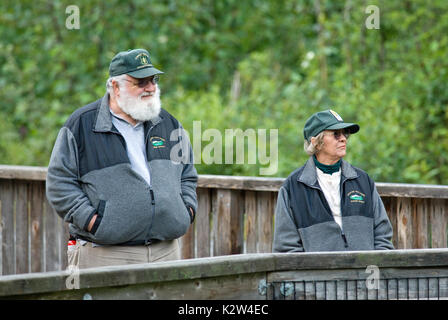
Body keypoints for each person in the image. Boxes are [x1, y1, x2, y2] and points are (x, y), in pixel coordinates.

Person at [46, 48, 198, 268]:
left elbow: (187, 175)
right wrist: (93, 222)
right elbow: (59, 183)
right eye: (140, 82)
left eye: (153, 80)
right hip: (106, 255)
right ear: (115, 87)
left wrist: (186, 211)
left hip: (165, 252)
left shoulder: (169, 124)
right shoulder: (81, 125)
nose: (151, 88)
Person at [273, 109, 394, 252]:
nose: (343, 138)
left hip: (365, 273)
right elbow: (286, 249)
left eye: (345, 134)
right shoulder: (292, 188)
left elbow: (383, 237)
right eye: (336, 134)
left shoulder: (363, 181)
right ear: (316, 142)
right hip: (317, 274)